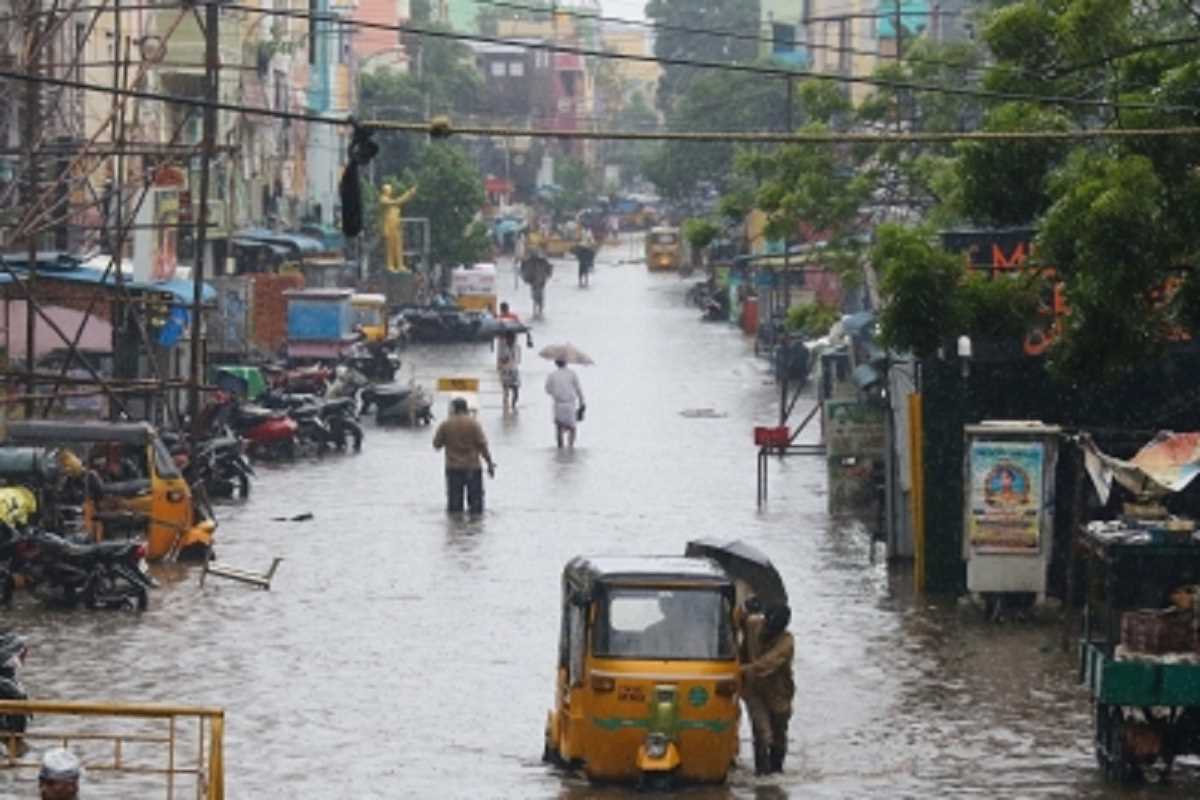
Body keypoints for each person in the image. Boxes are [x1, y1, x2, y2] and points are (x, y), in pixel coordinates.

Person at [740, 605, 795, 776]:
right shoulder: (752, 624)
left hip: (779, 693)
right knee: (762, 733)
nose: (768, 631)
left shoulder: (786, 641)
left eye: (774, 630)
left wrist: (738, 670)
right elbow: (736, 618)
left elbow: (766, 664)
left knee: (778, 736)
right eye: (767, 626)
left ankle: (776, 772)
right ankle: (761, 776)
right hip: (753, 690)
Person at [432, 398, 496, 514]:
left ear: (454, 409)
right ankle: (474, 529)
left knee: (454, 507)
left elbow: (436, 445)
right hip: (473, 468)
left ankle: (456, 529)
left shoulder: (446, 424)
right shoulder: (474, 424)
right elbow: (482, 445)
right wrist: (489, 463)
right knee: (476, 508)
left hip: (453, 468)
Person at [544, 358, 585, 448]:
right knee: (572, 428)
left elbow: (547, 390)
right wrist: (582, 402)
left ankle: (560, 447)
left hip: (558, 404)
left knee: (559, 428)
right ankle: (570, 446)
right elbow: (578, 389)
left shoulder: (552, 375)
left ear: (556, 363)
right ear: (566, 363)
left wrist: (555, 392)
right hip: (570, 404)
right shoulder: (572, 374)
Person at [520, 252, 553, 318]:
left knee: (538, 297)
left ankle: (538, 310)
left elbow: (549, 269)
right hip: (535, 282)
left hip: (539, 282)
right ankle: (537, 311)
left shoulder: (543, 262)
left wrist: (547, 275)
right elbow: (524, 268)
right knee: (535, 296)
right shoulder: (531, 262)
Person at [497, 331, 521, 413]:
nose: (511, 340)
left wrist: (513, 357)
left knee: (516, 391)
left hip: (514, 371)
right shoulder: (502, 348)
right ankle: (505, 409)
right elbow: (500, 360)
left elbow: (519, 360)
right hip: (505, 372)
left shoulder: (517, 347)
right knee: (506, 391)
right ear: (506, 339)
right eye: (509, 338)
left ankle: (514, 407)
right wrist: (504, 360)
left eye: (513, 338)